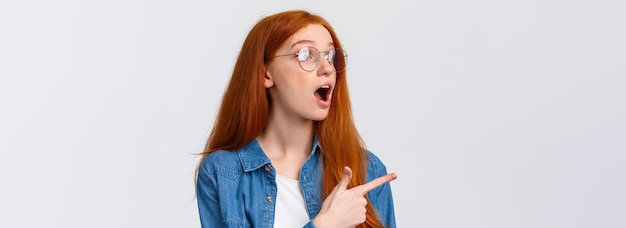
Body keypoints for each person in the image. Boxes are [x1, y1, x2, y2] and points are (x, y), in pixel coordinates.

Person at [195, 9, 397, 228]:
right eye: (305, 55)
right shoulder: (223, 172)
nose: (327, 68)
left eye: (330, 56)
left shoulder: (367, 169)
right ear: (266, 74)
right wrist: (326, 224)